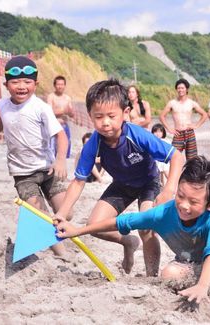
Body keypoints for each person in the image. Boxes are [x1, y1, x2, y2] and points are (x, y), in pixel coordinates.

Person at [54, 156, 210, 304]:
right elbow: (123, 222)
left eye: (193, 202)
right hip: (191, 262)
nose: (184, 205)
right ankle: (204, 281)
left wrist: (202, 285)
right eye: (181, 196)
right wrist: (78, 230)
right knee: (169, 272)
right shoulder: (165, 212)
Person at [53, 79, 184, 277]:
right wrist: (61, 213)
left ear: (125, 113)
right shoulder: (93, 144)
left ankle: (151, 277)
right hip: (122, 185)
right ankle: (127, 242)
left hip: (148, 183)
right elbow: (79, 181)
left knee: (146, 226)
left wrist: (168, 190)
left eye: (111, 116)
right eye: (98, 117)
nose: (105, 122)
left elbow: (176, 156)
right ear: (90, 116)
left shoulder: (137, 135)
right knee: (94, 226)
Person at [0, 56, 70, 256]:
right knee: (41, 215)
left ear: (35, 84)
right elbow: (3, 121)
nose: (21, 86)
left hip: (48, 169)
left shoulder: (41, 108)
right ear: (6, 85)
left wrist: (60, 160)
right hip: (23, 174)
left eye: (27, 82)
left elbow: (61, 136)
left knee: (67, 212)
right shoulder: (2, 105)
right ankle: (61, 254)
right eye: (15, 82)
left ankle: (58, 231)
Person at [159, 78, 207, 160]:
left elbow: (204, 114)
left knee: (192, 160)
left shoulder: (191, 103)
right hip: (178, 134)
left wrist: (196, 125)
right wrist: (170, 129)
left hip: (189, 133)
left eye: (182, 88)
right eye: (178, 88)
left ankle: (191, 173)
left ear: (186, 89)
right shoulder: (172, 103)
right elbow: (162, 116)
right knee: (173, 157)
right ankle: (177, 173)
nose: (180, 90)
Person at [47, 75, 74, 158]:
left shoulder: (67, 98)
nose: (60, 86)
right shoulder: (51, 97)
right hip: (55, 125)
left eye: (62, 84)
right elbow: (49, 112)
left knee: (66, 146)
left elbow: (72, 114)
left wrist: (70, 112)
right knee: (53, 148)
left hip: (64, 125)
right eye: (58, 84)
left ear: (65, 86)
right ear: (55, 85)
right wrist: (63, 111)